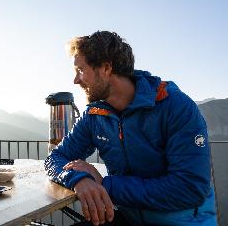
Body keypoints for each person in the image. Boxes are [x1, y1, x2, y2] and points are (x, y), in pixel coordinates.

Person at [45, 31, 217, 226]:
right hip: (130, 218)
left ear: (106, 68)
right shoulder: (95, 115)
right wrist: (78, 179)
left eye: (81, 70)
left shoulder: (175, 106)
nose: (76, 80)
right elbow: (55, 158)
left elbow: (190, 189)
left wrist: (104, 184)